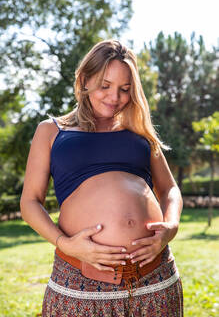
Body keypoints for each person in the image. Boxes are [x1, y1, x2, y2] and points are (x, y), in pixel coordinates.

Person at [20, 39, 184, 317]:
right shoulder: (51, 131)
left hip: (155, 277)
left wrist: (170, 227)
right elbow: (30, 202)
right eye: (105, 86)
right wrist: (65, 243)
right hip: (81, 282)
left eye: (124, 89)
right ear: (84, 80)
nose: (114, 97)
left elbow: (170, 189)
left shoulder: (140, 132)